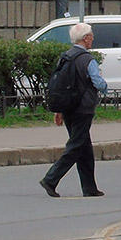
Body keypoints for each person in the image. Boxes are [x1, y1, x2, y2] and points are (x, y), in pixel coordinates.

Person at [39, 22, 108, 198]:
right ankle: (51, 179)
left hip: (68, 107)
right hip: (83, 108)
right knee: (76, 146)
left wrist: (59, 110)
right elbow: (98, 83)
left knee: (85, 149)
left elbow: (61, 85)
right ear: (86, 39)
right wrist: (105, 87)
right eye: (91, 36)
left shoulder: (65, 56)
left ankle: (89, 187)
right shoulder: (87, 59)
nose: (93, 39)